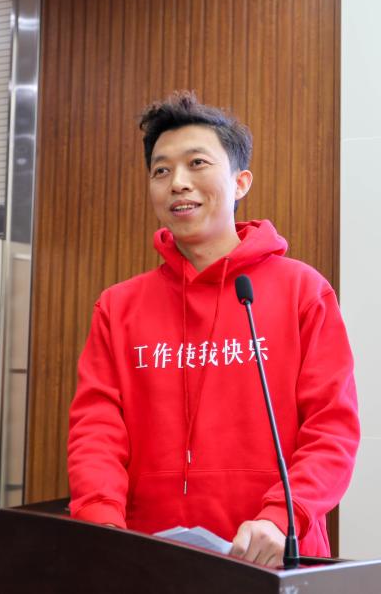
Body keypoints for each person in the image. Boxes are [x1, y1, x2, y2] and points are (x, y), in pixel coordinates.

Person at [67, 92, 360, 566]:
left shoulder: (303, 291)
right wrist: (101, 523)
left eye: (197, 163)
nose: (178, 183)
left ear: (240, 182)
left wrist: (281, 518)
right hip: (147, 559)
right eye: (161, 171)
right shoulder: (119, 307)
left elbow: (332, 428)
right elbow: (97, 428)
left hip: (271, 557)